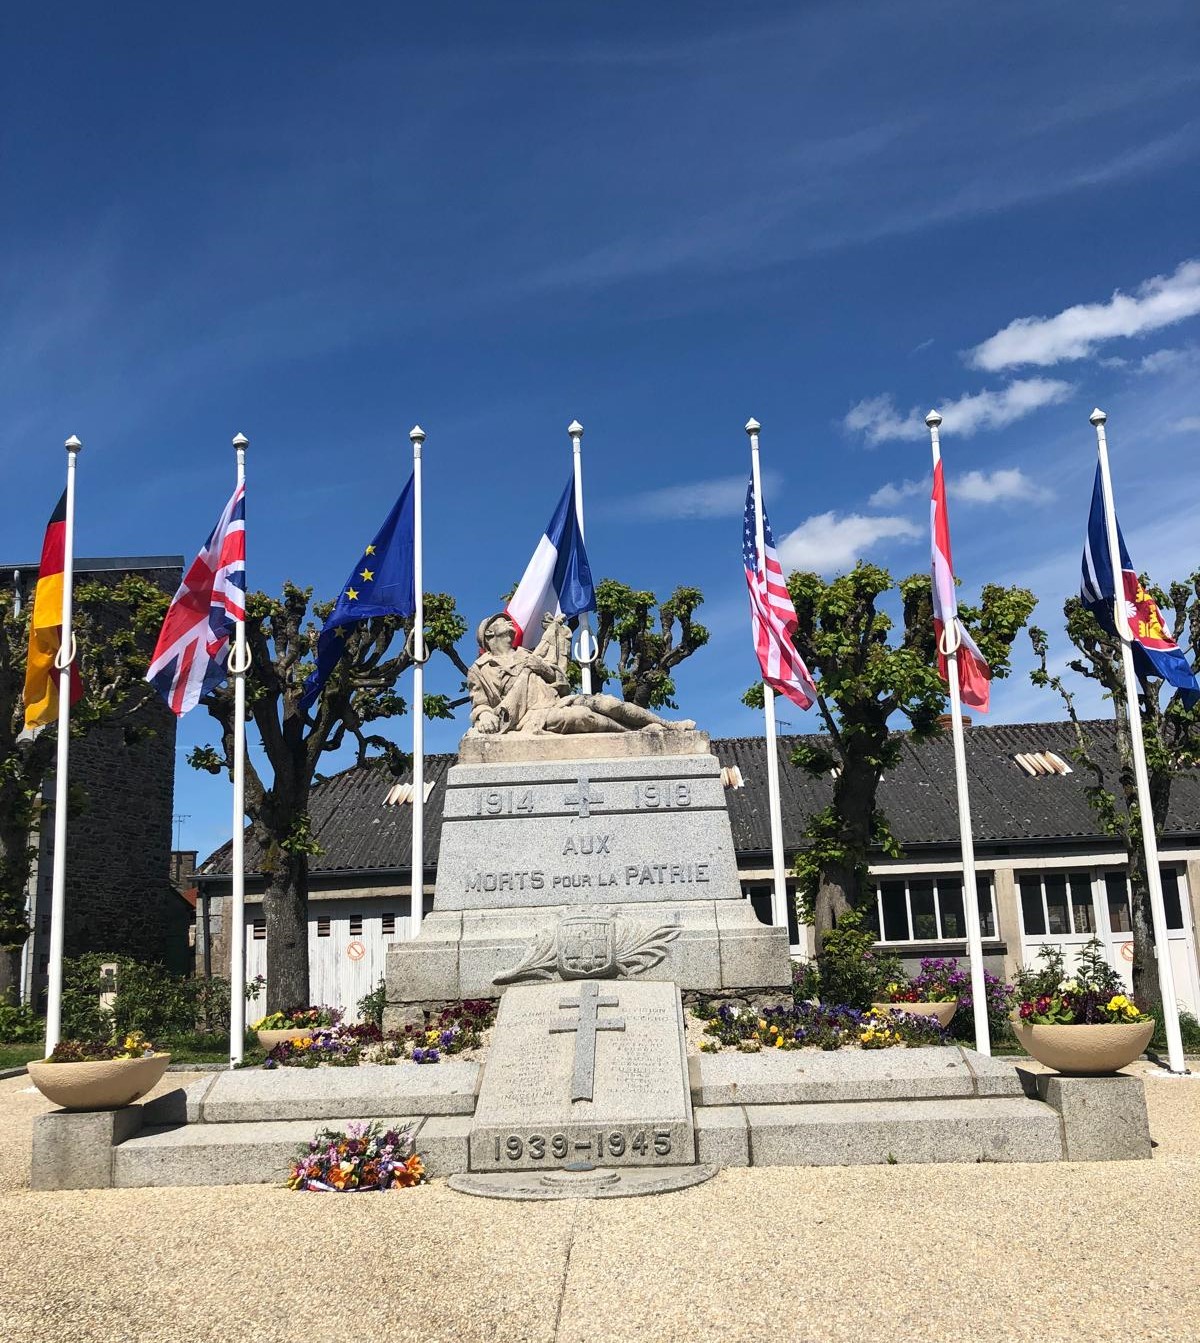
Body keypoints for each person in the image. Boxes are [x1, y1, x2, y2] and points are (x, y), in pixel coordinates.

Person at [466, 611, 695, 736]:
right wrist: (484, 716)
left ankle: (668, 725)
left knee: (609, 703)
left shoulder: (527, 654)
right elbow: (480, 704)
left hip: (557, 701)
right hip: (530, 717)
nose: (508, 622)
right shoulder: (479, 670)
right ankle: (635, 732)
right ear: (489, 633)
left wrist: (540, 666)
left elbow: (557, 678)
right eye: (502, 621)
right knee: (580, 717)